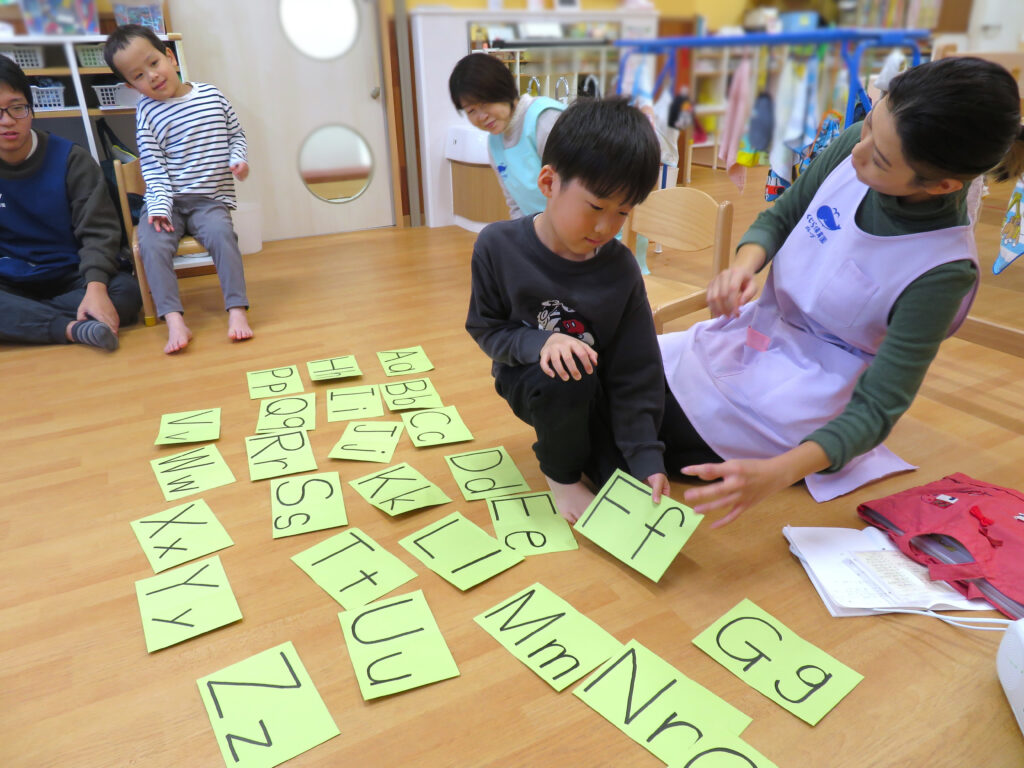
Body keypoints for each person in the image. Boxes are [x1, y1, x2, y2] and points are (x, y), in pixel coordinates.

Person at [659, 56, 1024, 527]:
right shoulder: (859, 143)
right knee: (617, 372)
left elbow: (876, 408)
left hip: (806, 406)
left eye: (881, 158)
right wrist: (743, 265)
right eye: (870, 124)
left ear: (943, 185)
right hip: (751, 341)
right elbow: (783, 214)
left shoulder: (943, 270)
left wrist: (776, 473)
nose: (859, 151)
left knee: (634, 424)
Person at [466, 97, 668, 522]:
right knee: (565, 374)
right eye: (595, 207)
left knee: (633, 475)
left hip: (598, 388)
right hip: (535, 379)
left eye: (623, 212)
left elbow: (637, 370)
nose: (605, 227)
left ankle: (592, 443)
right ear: (548, 182)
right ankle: (560, 473)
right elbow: (487, 328)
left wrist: (648, 459)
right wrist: (541, 342)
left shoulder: (621, 268)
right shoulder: (496, 246)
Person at [103, 24, 252, 354]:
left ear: (169, 56)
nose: (152, 77)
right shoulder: (147, 112)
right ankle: (174, 319)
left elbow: (236, 136)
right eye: (139, 76)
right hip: (167, 202)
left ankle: (237, 311)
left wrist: (238, 161)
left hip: (209, 199)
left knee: (222, 236)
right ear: (131, 86)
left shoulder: (212, 96)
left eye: (154, 63)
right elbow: (153, 168)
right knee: (150, 244)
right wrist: (158, 207)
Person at [0, 56, 141, 350]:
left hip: (72, 275)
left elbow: (99, 232)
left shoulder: (71, 159)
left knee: (126, 293)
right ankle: (72, 328)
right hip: (10, 279)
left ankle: (30, 322)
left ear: (31, 107)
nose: (7, 120)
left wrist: (96, 287)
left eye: (16, 107)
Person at [449, 52, 565, 219]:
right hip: (541, 232)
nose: (482, 116)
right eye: (471, 110)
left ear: (504, 90)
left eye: (485, 103)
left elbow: (580, 190)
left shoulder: (544, 120)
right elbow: (516, 204)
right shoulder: (495, 142)